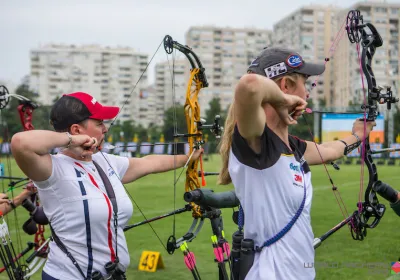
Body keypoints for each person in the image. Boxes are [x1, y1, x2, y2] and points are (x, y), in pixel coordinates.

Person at [218, 47, 375, 280]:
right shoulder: (256, 142)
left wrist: (359, 135)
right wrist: (282, 101)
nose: (308, 91)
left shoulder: (293, 146)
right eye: (305, 81)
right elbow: (249, 85)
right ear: (286, 86)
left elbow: (329, 151)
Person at [11, 92, 201, 280]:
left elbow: (148, 163)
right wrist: (72, 141)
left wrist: (188, 158)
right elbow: (20, 143)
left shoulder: (104, 162)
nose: (105, 128)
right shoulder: (52, 169)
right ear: (77, 130)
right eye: (99, 123)